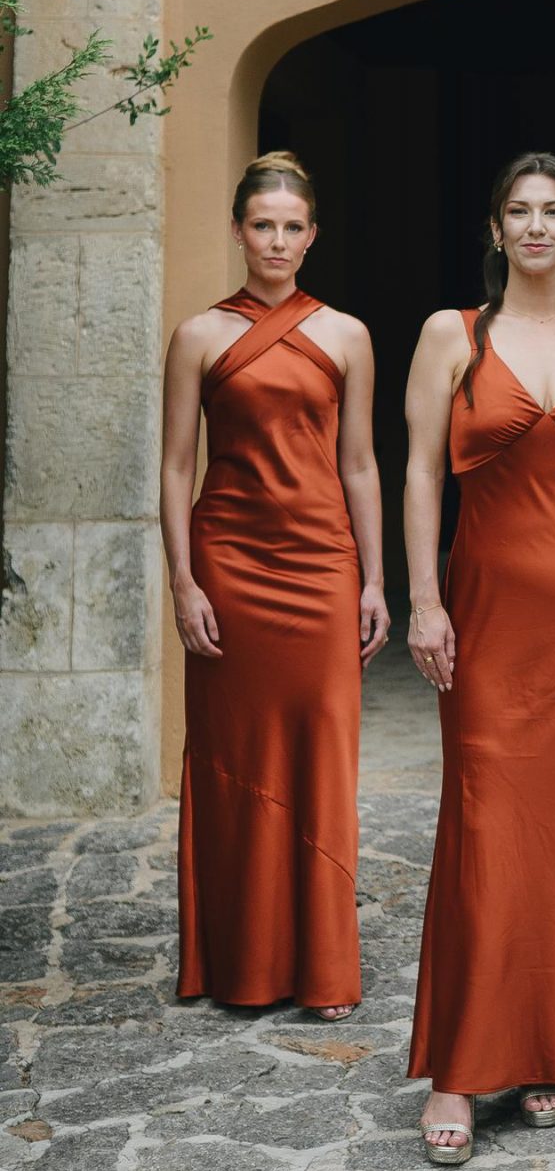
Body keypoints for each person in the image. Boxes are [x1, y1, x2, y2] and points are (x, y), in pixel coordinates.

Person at [403, 152, 555, 1165]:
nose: (538, 227)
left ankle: (554, 1041)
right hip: (488, 616)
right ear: (497, 228)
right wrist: (423, 598)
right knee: (482, 824)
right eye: (520, 211)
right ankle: (461, 1069)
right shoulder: (451, 335)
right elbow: (420, 470)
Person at [162, 151, 387, 1020]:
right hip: (230, 565)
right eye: (263, 225)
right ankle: (239, 961)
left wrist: (375, 580)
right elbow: (178, 465)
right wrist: (183, 582)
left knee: (323, 755)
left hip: (323, 568)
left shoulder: (346, 335)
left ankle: (322, 963)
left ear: (313, 235)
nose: (277, 241)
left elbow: (360, 464)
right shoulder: (199, 336)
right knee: (236, 757)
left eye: (293, 227)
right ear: (237, 230)